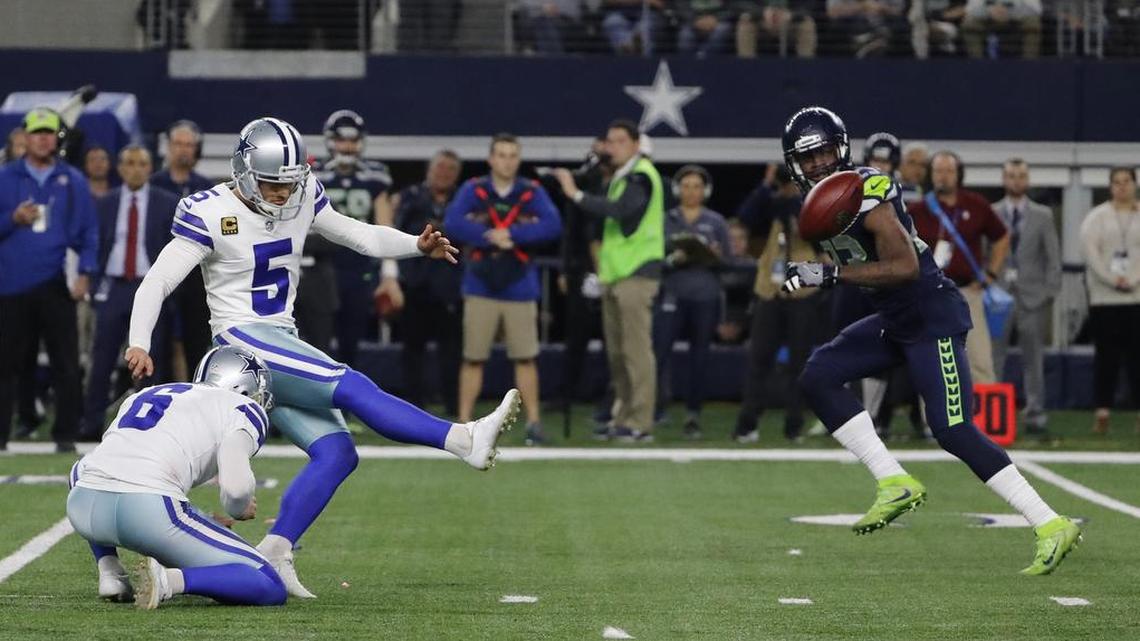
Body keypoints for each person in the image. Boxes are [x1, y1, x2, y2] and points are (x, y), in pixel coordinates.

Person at [124, 117, 521, 598]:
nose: (282, 193)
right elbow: (159, 280)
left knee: (337, 452)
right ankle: (464, 439)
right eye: (273, 183)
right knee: (350, 384)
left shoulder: (302, 191)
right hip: (241, 341)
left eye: (290, 182)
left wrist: (414, 246)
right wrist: (139, 341)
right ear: (245, 170)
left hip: (281, 336)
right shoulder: (209, 210)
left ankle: (275, 548)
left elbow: (358, 234)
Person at [779, 106, 1080, 575]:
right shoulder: (819, 203)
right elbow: (856, 268)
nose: (816, 164)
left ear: (839, 149)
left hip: (929, 315)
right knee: (819, 374)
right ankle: (893, 482)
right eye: (807, 157)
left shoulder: (867, 191)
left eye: (821, 153)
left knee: (953, 429)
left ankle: (1050, 523)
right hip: (896, 318)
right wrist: (806, 276)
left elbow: (903, 268)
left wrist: (831, 273)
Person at [68, 346, 285, 608]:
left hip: (84, 506)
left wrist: (203, 521)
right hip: (148, 515)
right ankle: (169, 581)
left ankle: (110, 570)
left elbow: (86, 469)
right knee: (268, 582)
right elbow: (236, 491)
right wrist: (239, 509)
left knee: (92, 470)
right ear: (244, 387)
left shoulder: (148, 393)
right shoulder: (243, 408)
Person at [445, 133, 561, 444]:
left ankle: (534, 423)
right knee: (473, 357)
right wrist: (488, 235)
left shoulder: (531, 191)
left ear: (518, 160)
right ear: (491, 159)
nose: (507, 161)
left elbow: (552, 225)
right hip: (480, 283)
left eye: (512, 155)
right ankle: (463, 425)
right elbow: (453, 222)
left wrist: (513, 234)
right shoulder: (474, 189)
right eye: (501, 155)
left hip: (520, 283)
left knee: (525, 357)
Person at [553, 120, 665, 442]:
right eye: (609, 141)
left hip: (638, 273)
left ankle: (640, 422)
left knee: (636, 350)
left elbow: (621, 211)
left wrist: (575, 195)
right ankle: (623, 417)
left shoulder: (642, 175)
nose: (611, 147)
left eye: (618, 141)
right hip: (616, 274)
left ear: (635, 145)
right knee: (618, 353)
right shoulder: (620, 177)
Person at [0, 107, 98, 453]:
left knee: (66, 363)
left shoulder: (72, 180)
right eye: (36, 132)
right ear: (24, 137)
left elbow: (88, 231)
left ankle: (65, 435)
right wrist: (12, 218)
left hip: (57, 283)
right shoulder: (5, 178)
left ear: (56, 138)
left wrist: (85, 272)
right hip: (11, 286)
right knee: (7, 364)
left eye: (48, 133)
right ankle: (3, 434)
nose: (42, 138)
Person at [81, 145, 180, 440]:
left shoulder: (167, 203)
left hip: (149, 286)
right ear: (120, 168)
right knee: (102, 359)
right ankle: (90, 427)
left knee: (151, 359)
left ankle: (149, 428)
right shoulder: (105, 203)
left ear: (150, 168)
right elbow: (95, 243)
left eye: (142, 163)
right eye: (130, 163)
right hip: (114, 287)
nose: (136, 169)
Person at [732, 163, 820, 443]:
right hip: (770, 289)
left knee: (799, 361)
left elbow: (813, 232)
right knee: (759, 358)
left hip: (803, 288)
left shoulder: (812, 199)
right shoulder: (769, 203)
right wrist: (767, 185)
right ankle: (748, 424)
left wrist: (798, 193)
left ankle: (793, 425)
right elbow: (745, 217)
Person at [909, 150, 1009, 385]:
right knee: (934, 361)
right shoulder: (917, 211)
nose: (943, 176)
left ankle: (984, 420)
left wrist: (991, 273)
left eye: (949, 171)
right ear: (930, 175)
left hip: (968, 294)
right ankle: (932, 421)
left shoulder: (976, 205)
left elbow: (1002, 237)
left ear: (959, 174)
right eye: (938, 171)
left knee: (980, 360)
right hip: (931, 294)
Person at [654, 165, 730, 438]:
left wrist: (713, 255)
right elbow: (654, 258)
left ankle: (693, 414)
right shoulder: (665, 219)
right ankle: (656, 408)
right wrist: (676, 259)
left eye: (696, 186)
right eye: (686, 186)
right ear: (677, 190)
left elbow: (728, 262)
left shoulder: (717, 222)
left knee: (700, 357)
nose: (691, 191)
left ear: (705, 191)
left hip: (705, 296)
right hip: (672, 293)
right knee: (659, 354)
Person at [316, 110, 393, 369]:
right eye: (341, 139)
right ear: (330, 140)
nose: (347, 146)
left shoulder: (375, 175)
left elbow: (385, 224)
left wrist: (389, 273)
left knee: (351, 341)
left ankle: (345, 401)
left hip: (359, 268)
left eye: (352, 139)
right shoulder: (314, 174)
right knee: (318, 339)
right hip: (322, 267)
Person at [391, 149, 464, 417]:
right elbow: (396, 232)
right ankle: (413, 404)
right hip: (416, 284)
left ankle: (454, 404)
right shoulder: (411, 197)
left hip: (449, 286)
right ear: (428, 170)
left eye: (450, 170)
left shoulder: (462, 199)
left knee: (452, 350)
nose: (444, 174)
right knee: (413, 349)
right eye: (440, 168)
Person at [991, 159, 1060, 436]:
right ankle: (992, 414)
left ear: (1027, 180)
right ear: (1004, 179)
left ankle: (1035, 415)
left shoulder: (1043, 215)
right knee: (993, 358)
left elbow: (1053, 259)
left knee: (1034, 360)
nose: (1016, 181)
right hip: (998, 297)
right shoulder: (992, 212)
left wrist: (1048, 294)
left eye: (1021, 176)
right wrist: (987, 289)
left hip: (1033, 299)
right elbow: (987, 253)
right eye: (1011, 176)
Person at [151, 119, 215, 380]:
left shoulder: (207, 187)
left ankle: (197, 399)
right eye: (179, 144)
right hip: (162, 271)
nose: (184, 150)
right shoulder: (154, 184)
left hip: (197, 278)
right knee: (160, 341)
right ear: (168, 147)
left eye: (189, 145)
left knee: (197, 343)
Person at [1080, 166, 1140, 435]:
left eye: (1127, 181)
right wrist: (1112, 279)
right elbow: (1090, 253)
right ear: (1110, 186)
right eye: (1117, 182)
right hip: (1104, 299)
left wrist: (1133, 280)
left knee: (1137, 360)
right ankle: (1102, 413)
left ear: (1135, 184)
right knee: (1106, 359)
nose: (1122, 186)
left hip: (1136, 298)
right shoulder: (1097, 217)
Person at [962, 0, 1042, 58]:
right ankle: (977, 65)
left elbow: (1037, 9)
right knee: (969, 24)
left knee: (1033, 23)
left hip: (1016, 18)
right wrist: (989, 10)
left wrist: (1011, 12)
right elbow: (970, 9)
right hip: (988, 17)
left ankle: (1029, 66)